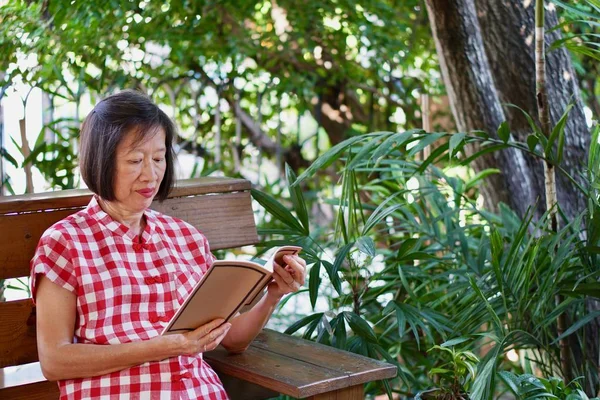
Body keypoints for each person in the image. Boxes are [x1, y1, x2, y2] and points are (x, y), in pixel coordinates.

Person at [30, 90, 307, 400]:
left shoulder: (186, 238)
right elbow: (54, 362)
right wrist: (167, 347)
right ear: (101, 161)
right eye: (135, 160)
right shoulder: (65, 242)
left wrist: (273, 292)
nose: (151, 174)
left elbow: (234, 340)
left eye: (159, 158)